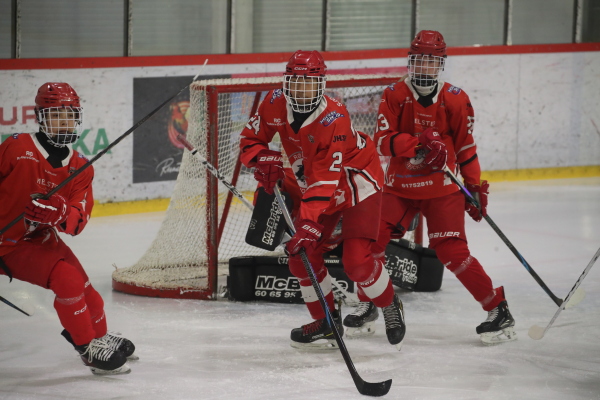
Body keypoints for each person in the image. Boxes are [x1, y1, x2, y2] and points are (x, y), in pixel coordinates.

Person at [344, 30, 517, 345]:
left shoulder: (456, 98)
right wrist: (418, 144)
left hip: (442, 188)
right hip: (399, 186)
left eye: (431, 61)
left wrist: (474, 187)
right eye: (419, 60)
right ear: (410, 61)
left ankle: (497, 308)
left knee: (453, 252)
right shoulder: (394, 94)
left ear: (440, 64)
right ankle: (369, 302)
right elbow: (382, 142)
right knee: (370, 243)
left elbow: (466, 148)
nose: (424, 66)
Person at [239, 50, 406, 350]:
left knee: (356, 263)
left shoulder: (334, 118)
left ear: (322, 85)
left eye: (309, 83)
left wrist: (309, 223)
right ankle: (326, 322)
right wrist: (261, 158)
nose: (301, 90)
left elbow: (324, 181)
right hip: (314, 185)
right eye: (296, 83)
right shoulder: (274, 102)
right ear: (286, 83)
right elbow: (249, 140)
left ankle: (389, 303)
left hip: (355, 182)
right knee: (300, 259)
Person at [0, 82, 136, 374]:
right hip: (5, 243)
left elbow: (77, 221)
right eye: (55, 115)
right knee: (68, 281)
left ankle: (99, 337)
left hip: (40, 239)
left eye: (70, 115)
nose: (64, 122)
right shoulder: (16, 147)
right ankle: (87, 348)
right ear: (40, 117)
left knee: (89, 293)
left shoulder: (80, 166)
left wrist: (60, 212)